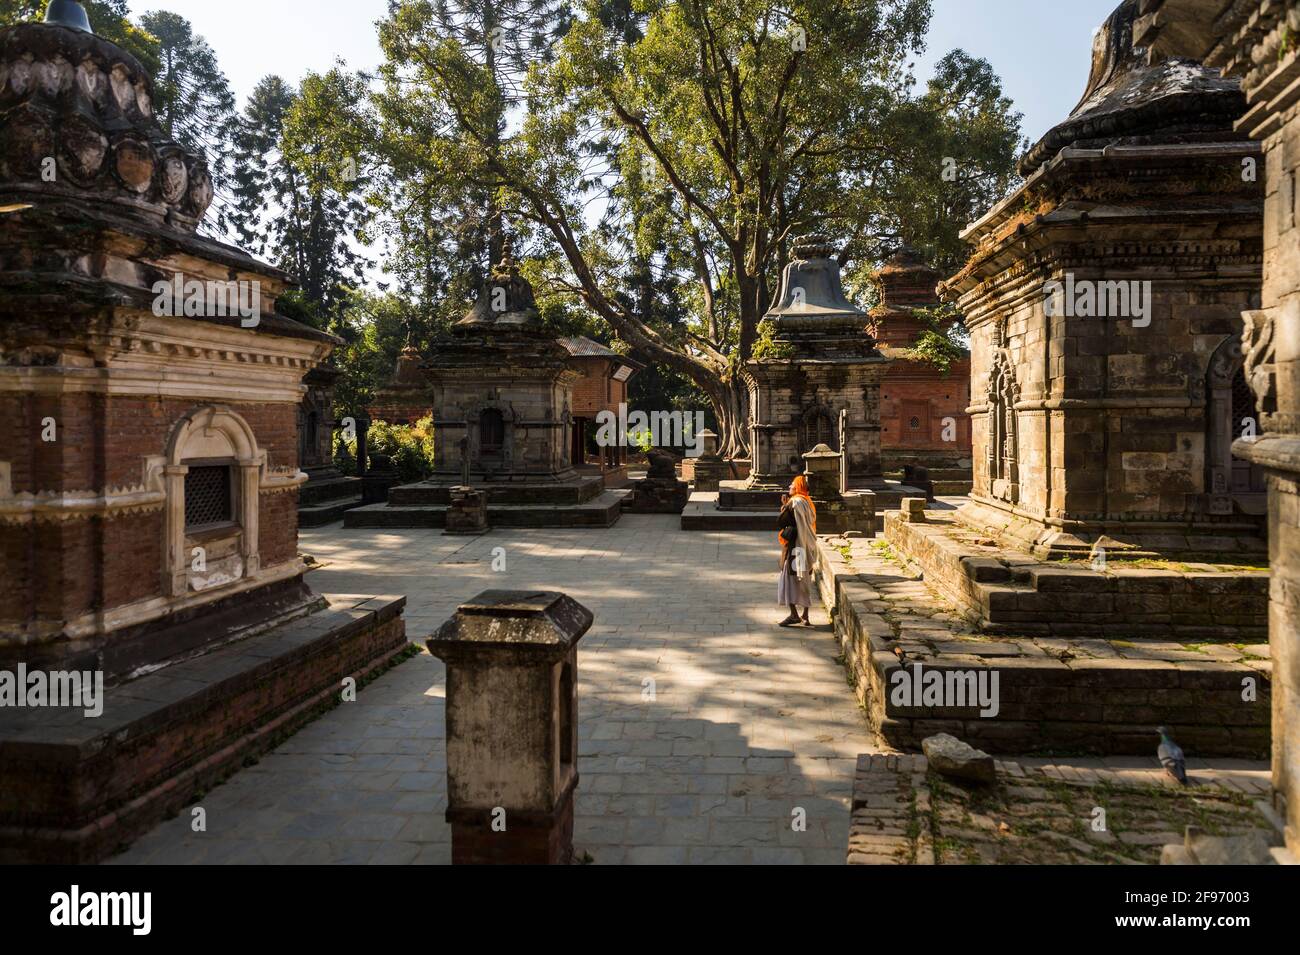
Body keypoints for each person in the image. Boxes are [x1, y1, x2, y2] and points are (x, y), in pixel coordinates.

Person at [776, 475, 818, 627]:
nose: (790, 487)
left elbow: (782, 521)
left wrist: (784, 506)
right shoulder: (808, 502)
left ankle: (794, 614)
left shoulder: (794, 502)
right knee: (804, 578)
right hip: (807, 545)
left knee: (788, 579)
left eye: (792, 485)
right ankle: (805, 615)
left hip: (795, 547)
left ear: (798, 487)